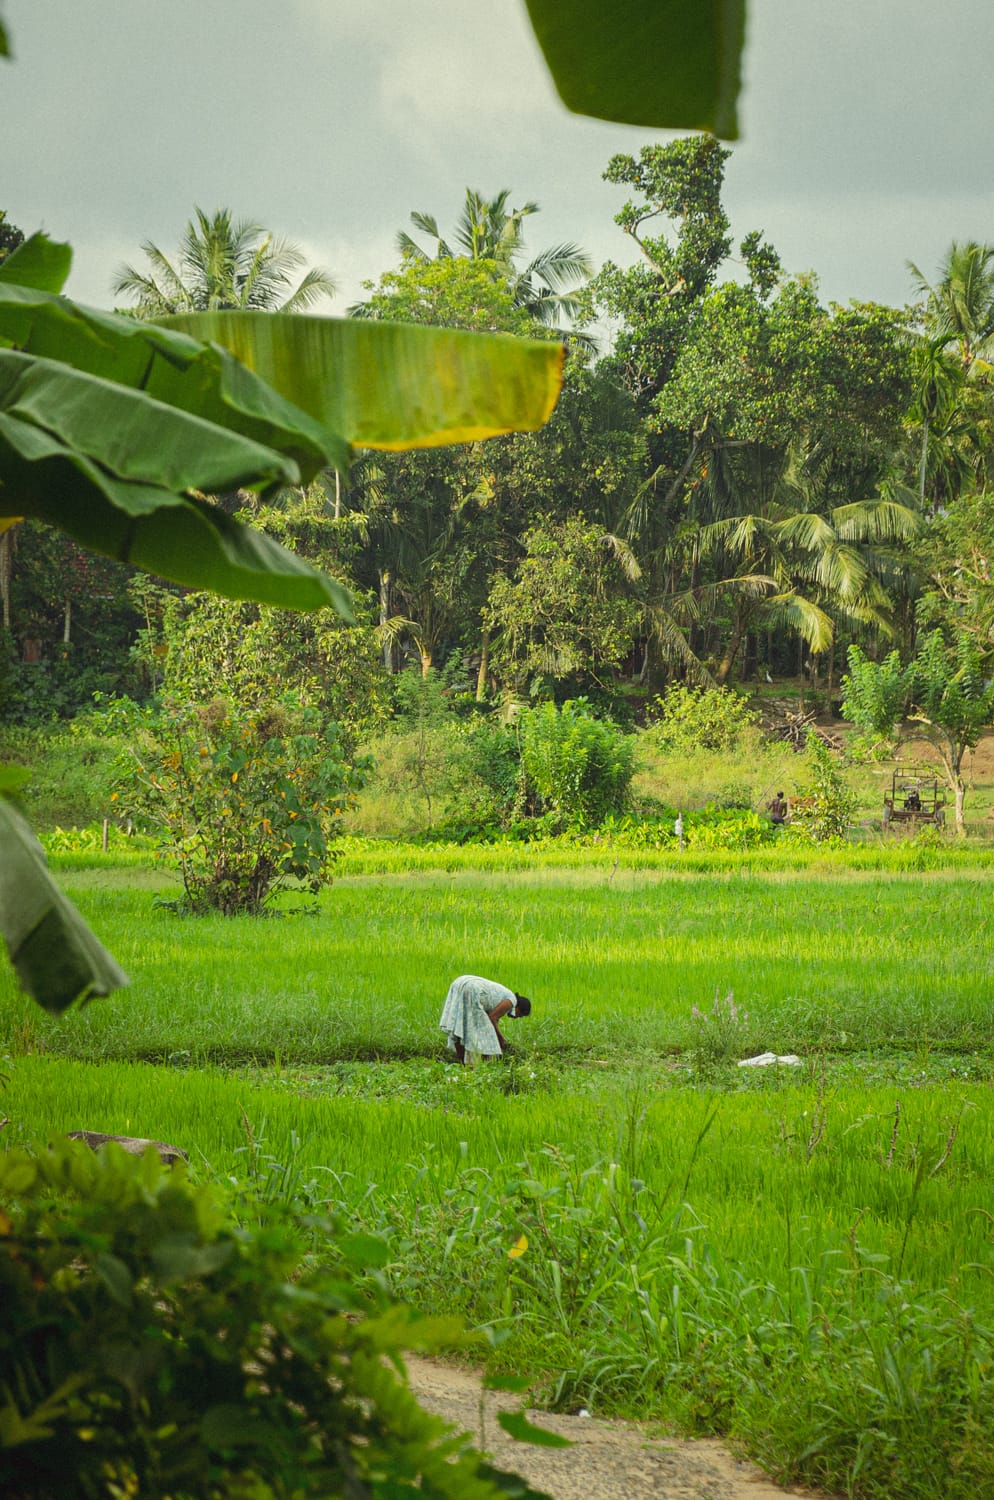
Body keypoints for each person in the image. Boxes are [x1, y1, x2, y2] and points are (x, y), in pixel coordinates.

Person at [439, 975, 532, 1064]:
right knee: (484, 1035)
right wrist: (501, 1039)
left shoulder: (505, 994)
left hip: (460, 982)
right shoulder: (512, 1000)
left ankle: (461, 1061)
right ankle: (475, 1065)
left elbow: (492, 1019)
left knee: (462, 1027)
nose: (516, 1017)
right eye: (520, 1015)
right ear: (519, 1008)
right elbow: (492, 1018)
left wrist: (499, 1035)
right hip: (472, 989)